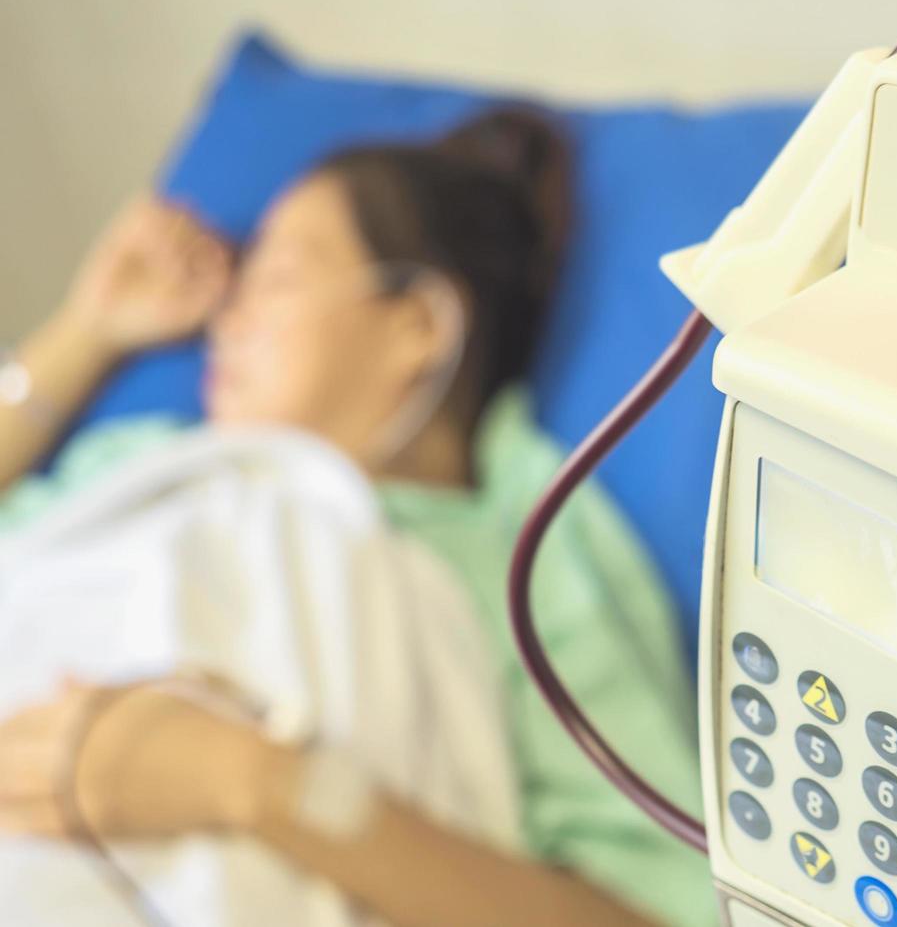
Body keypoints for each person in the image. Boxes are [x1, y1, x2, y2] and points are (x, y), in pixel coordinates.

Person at [0, 109, 714, 927]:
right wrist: (85, 332)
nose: (224, 324)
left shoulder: (520, 560)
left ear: (418, 323)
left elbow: (657, 917)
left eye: (275, 281)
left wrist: (255, 782)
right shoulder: (143, 467)